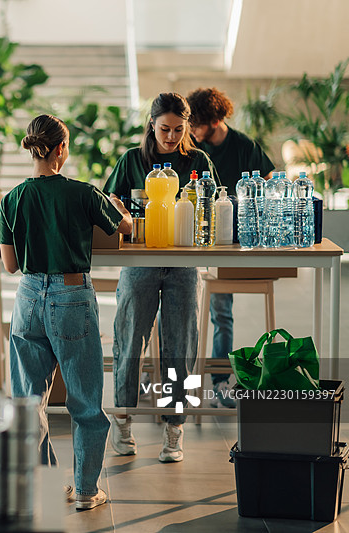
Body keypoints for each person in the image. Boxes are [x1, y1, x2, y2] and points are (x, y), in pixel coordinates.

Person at [0, 114, 133, 510]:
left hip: (27, 299)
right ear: (60, 149)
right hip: (71, 298)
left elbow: (10, 265)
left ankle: (42, 486)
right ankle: (87, 490)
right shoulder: (83, 193)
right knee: (85, 401)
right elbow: (124, 227)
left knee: (28, 402)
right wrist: (118, 208)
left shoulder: (12, 199)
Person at [103, 92, 217, 463]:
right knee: (129, 341)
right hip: (140, 261)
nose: (170, 137)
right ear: (152, 124)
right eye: (164, 129)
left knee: (180, 346)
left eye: (178, 130)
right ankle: (123, 421)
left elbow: (211, 205)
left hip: (183, 264)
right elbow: (109, 199)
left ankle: (174, 427)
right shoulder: (132, 159)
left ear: (187, 127)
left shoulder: (198, 160)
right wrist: (121, 209)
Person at [187, 87, 275, 409]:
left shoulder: (244, 146)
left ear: (214, 120)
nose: (191, 132)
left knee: (222, 313)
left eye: (196, 125)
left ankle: (220, 383)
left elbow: (270, 181)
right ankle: (166, 380)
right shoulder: (192, 147)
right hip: (193, 240)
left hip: (232, 244)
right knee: (180, 310)